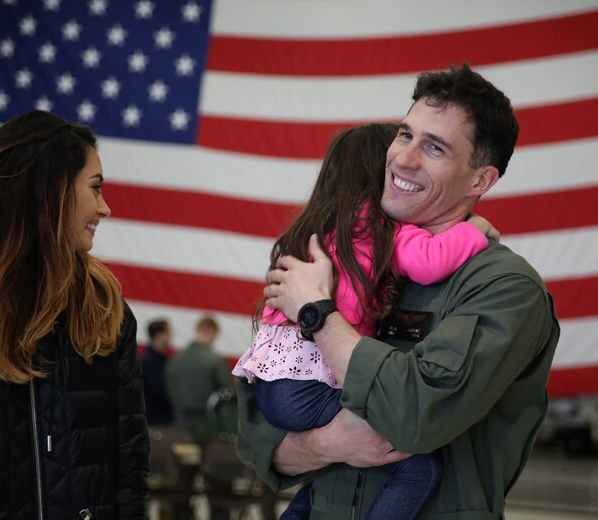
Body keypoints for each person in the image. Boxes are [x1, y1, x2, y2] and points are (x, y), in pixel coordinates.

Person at [236, 63, 560, 519]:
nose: (404, 159)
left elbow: (413, 416)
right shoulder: (360, 255)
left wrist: (319, 313)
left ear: (481, 180)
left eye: (435, 147)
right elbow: (254, 438)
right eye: (405, 135)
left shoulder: (504, 288)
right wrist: (326, 444)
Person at [232, 122, 499, 519]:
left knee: (338, 469)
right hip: (308, 383)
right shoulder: (382, 227)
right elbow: (429, 263)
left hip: (275, 380)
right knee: (419, 467)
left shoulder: (314, 228)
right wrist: (475, 229)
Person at [0, 110, 150, 519]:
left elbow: (130, 473)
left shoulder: (107, 315)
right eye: (95, 188)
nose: (104, 207)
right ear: (49, 191)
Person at [167, 316, 234, 441]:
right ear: (211, 332)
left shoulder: (174, 360)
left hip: (178, 422)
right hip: (207, 425)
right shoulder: (215, 360)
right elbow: (227, 393)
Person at [141, 318, 176, 426]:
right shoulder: (147, 363)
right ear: (158, 335)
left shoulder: (166, 361)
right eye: (168, 333)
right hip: (154, 422)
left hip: (166, 420)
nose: (170, 337)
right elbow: (162, 390)